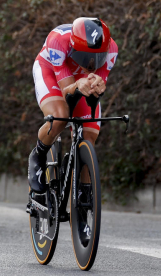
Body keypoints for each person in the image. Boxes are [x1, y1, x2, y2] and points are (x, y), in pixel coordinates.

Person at [27, 17, 118, 206]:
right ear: (74, 46)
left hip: (79, 78)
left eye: (98, 57)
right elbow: (68, 91)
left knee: (90, 134)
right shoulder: (58, 40)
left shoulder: (112, 49)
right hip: (51, 71)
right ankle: (38, 154)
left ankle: (84, 195)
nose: (92, 63)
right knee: (61, 115)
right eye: (86, 57)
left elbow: (95, 90)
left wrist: (98, 87)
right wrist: (78, 83)